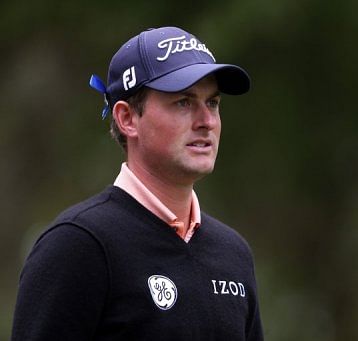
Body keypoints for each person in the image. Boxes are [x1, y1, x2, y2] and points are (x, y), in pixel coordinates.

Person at [11, 26, 263, 340]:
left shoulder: (233, 253)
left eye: (212, 103)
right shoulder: (78, 245)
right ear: (127, 118)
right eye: (184, 102)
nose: (206, 121)